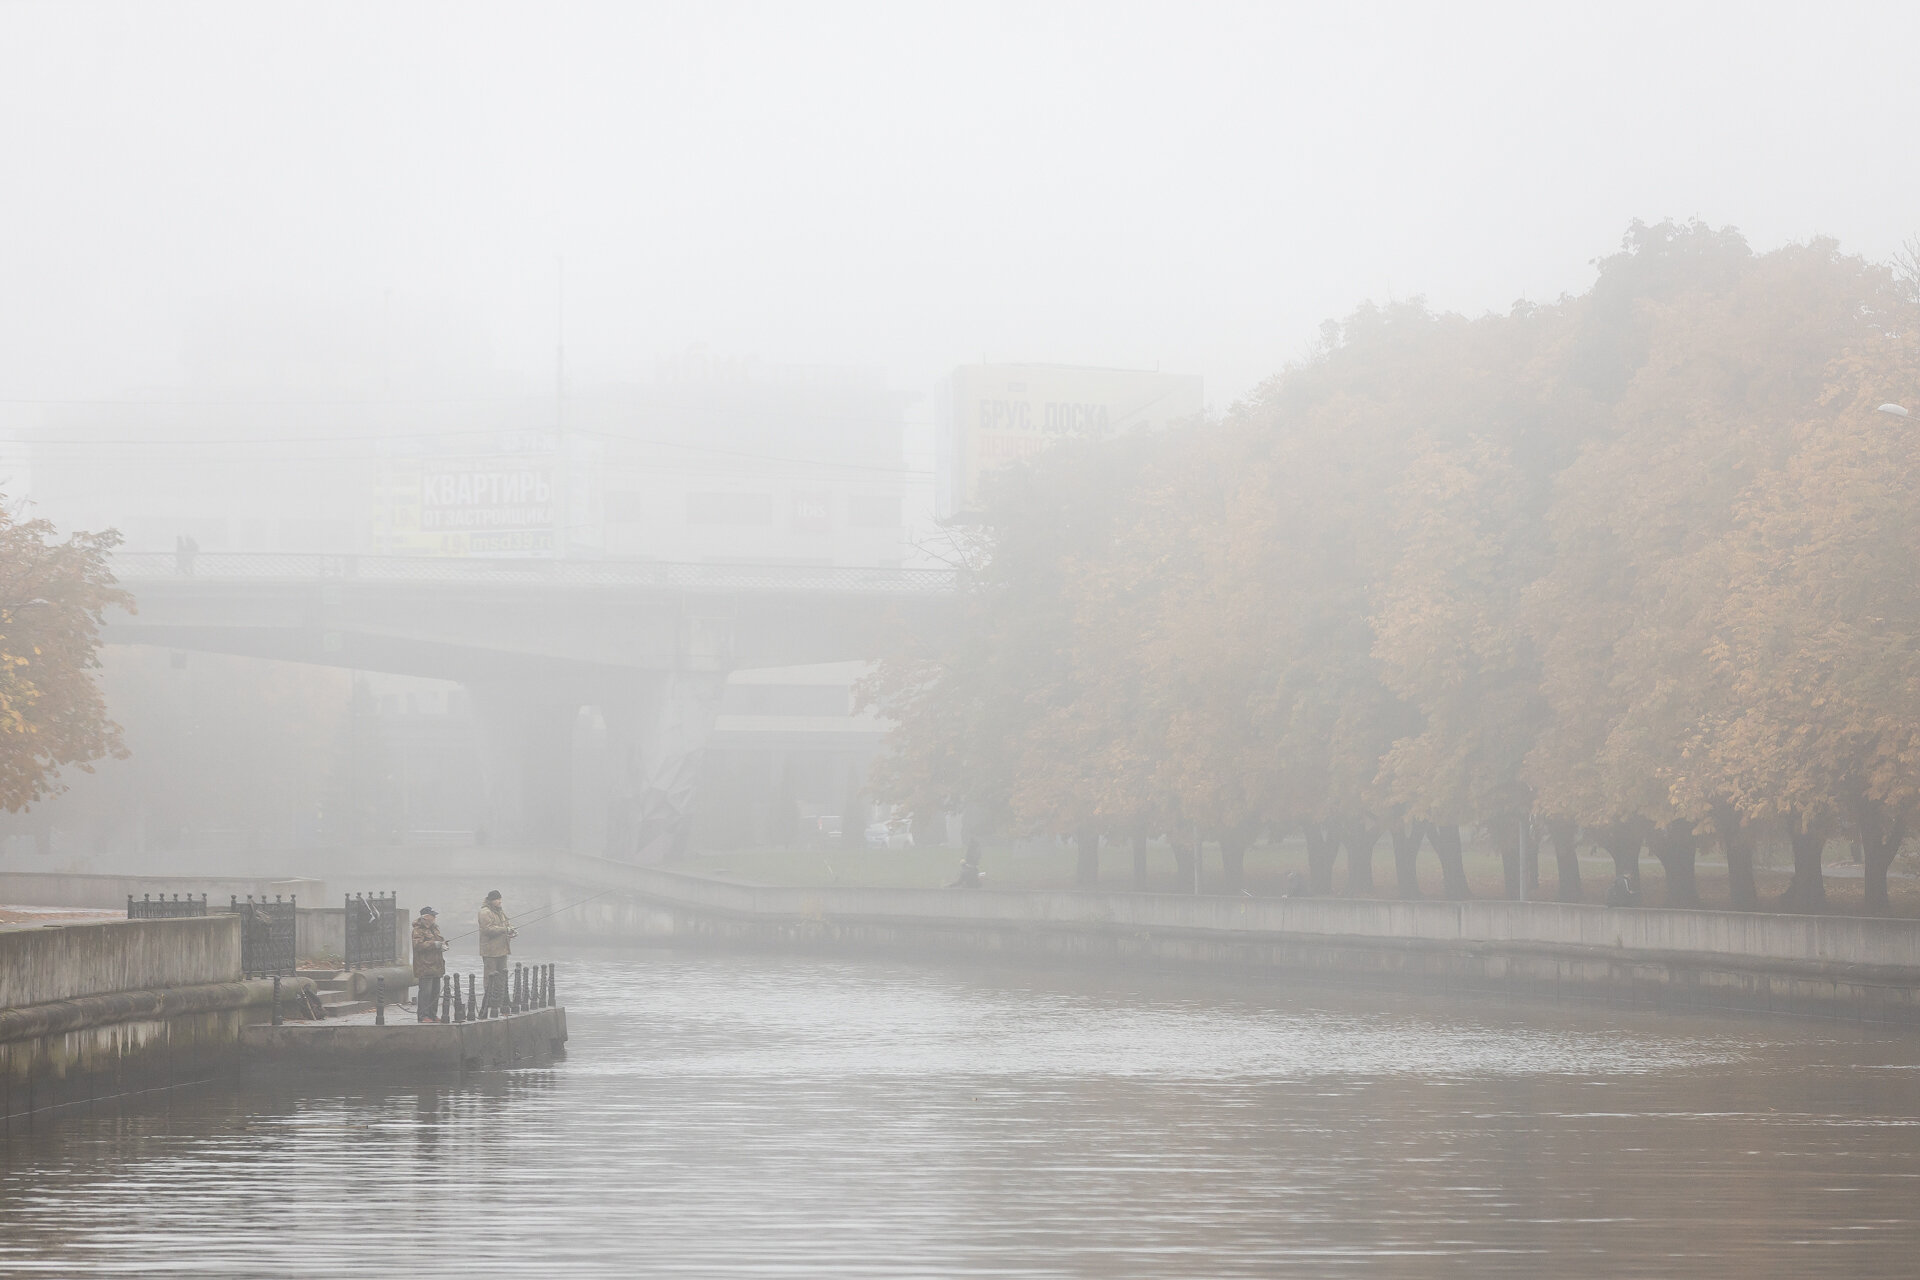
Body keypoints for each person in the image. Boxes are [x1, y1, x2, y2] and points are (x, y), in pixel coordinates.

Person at [478, 890, 516, 1013]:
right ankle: (490, 1002)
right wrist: (505, 929)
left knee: (502, 976)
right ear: (491, 900)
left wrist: (511, 931)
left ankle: (503, 1001)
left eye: (500, 899)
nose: (500, 901)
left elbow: (506, 925)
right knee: (491, 977)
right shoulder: (484, 912)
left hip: (502, 949)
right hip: (490, 951)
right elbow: (488, 929)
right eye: (497, 899)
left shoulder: (500, 911)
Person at [411, 906, 448, 1023]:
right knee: (425, 993)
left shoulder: (435, 929)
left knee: (435, 993)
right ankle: (423, 1016)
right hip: (425, 966)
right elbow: (418, 945)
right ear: (425, 917)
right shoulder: (418, 930)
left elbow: (438, 942)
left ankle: (433, 1015)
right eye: (432, 916)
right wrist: (434, 944)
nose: (435, 918)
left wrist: (443, 945)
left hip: (437, 966)